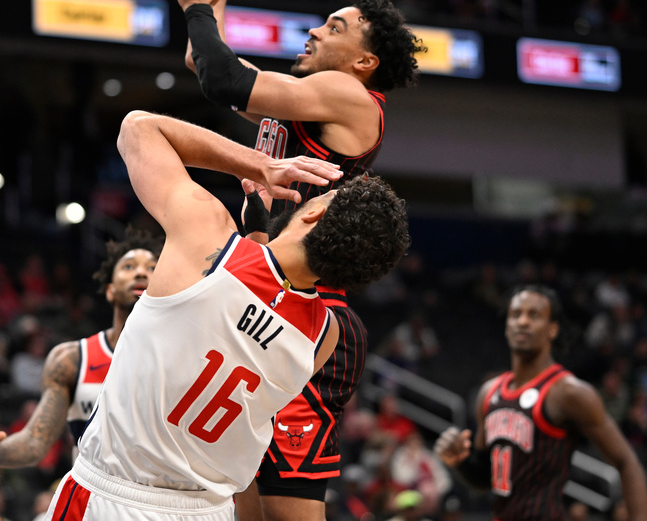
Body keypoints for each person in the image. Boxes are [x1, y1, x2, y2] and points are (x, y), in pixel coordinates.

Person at [157, 0, 425, 521]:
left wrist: (201, 2)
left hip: (312, 313)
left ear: (364, 60)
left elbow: (221, 77)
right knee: (233, 500)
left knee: (285, 514)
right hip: (269, 298)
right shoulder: (307, 94)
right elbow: (206, 60)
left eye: (335, 27)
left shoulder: (349, 97)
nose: (313, 29)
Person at [40, 110, 409, 520]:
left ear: (312, 214)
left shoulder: (206, 232)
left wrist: (264, 165)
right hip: (207, 510)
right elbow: (256, 319)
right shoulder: (325, 336)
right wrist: (258, 239)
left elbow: (137, 128)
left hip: (114, 497)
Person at [0, 228, 162, 467]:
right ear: (109, 290)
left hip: (159, 496)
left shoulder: (187, 358)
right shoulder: (72, 359)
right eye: (129, 267)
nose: (141, 272)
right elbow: (35, 442)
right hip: (93, 496)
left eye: (152, 268)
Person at [433, 285, 647, 521]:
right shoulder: (488, 392)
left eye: (533, 315)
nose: (522, 322)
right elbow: (487, 478)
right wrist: (461, 462)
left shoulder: (568, 392)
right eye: (516, 314)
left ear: (553, 329)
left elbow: (627, 462)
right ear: (507, 327)